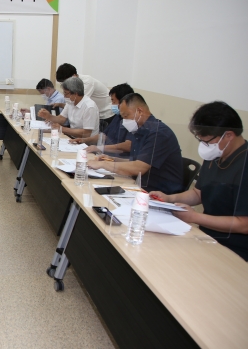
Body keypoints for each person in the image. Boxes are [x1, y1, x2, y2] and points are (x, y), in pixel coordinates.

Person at [150, 101, 248, 261]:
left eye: (207, 142)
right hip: (205, 236)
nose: (204, 146)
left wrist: (195, 217)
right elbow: (198, 193)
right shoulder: (215, 155)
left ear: (229, 135)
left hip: (234, 250)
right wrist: (169, 198)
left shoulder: (244, 165)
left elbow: (243, 224)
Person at [87, 93, 184, 194]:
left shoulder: (159, 133)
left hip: (158, 193)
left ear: (140, 111)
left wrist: (103, 164)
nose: (124, 121)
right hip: (138, 185)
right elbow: (135, 161)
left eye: (126, 116)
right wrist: (111, 159)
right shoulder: (140, 129)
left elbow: (139, 167)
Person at [71, 83, 135, 156]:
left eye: (114, 101)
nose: (112, 104)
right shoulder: (117, 117)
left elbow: (128, 146)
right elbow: (104, 136)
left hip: (118, 158)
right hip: (105, 155)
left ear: (123, 101)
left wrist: (100, 148)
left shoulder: (132, 121)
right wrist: (83, 140)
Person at [55, 63, 114, 129]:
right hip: (94, 113)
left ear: (74, 76)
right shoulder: (75, 84)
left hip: (106, 113)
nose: (65, 85)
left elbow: (77, 103)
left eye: (65, 82)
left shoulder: (87, 82)